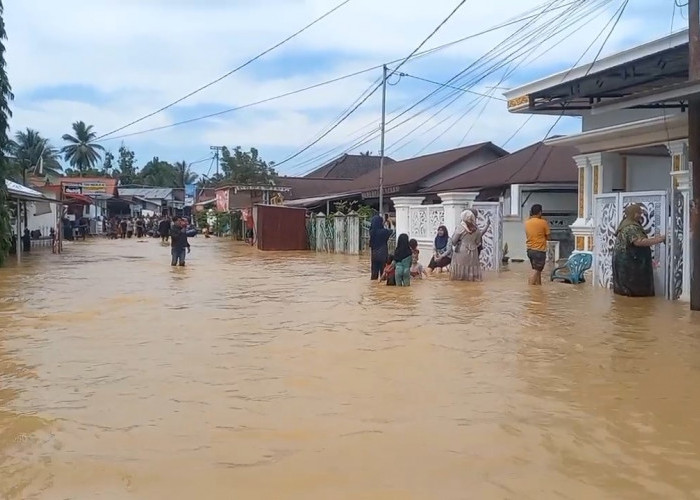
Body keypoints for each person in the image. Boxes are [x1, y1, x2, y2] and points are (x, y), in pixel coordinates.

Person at [612, 203, 666, 297]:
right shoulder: (631, 227)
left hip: (624, 260)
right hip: (630, 263)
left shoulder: (626, 224)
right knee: (634, 291)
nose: (640, 215)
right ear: (633, 214)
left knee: (625, 292)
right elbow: (638, 242)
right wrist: (659, 239)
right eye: (638, 213)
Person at [450, 209, 490, 282]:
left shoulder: (460, 228)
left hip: (461, 250)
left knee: (460, 270)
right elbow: (478, 241)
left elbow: (453, 241)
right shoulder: (476, 229)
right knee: (472, 269)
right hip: (473, 252)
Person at [524, 204, 551, 285]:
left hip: (530, 250)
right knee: (536, 270)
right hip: (539, 250)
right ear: (540, 212)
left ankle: (538, 288)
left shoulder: (527, 222)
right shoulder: (543, 222)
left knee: (537, 270)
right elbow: (549, 237)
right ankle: (531, 288)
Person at [369, 214, 393, 280]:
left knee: (374, 274)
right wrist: (389, 222)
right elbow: (391, 231)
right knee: (383, 274)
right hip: (383, 254)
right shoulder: (384, 232)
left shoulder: (371, 232)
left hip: (374, 255)